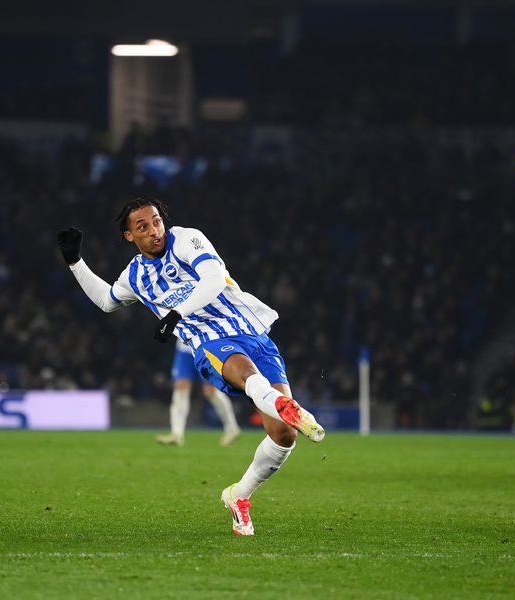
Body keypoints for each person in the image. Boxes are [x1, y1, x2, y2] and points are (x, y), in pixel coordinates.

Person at [57, 196, 325, 537]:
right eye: (142, 226)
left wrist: (175, 313)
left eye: (156, 221)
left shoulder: (186, 239)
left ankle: (238, 495)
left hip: (252, 332)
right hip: (210, 342)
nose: (154, 230)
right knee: (248, 377)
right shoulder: (135, 276)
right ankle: (285, 405)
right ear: (128, 236)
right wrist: (75, 262)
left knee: (283, 436)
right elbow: (107, 301)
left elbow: (213, 279)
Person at [156, 338, 241, 447]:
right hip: (184, 348)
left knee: (210, 390)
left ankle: (232, 428)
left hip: (204, 345)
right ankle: (176, 433)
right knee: (181, 386)